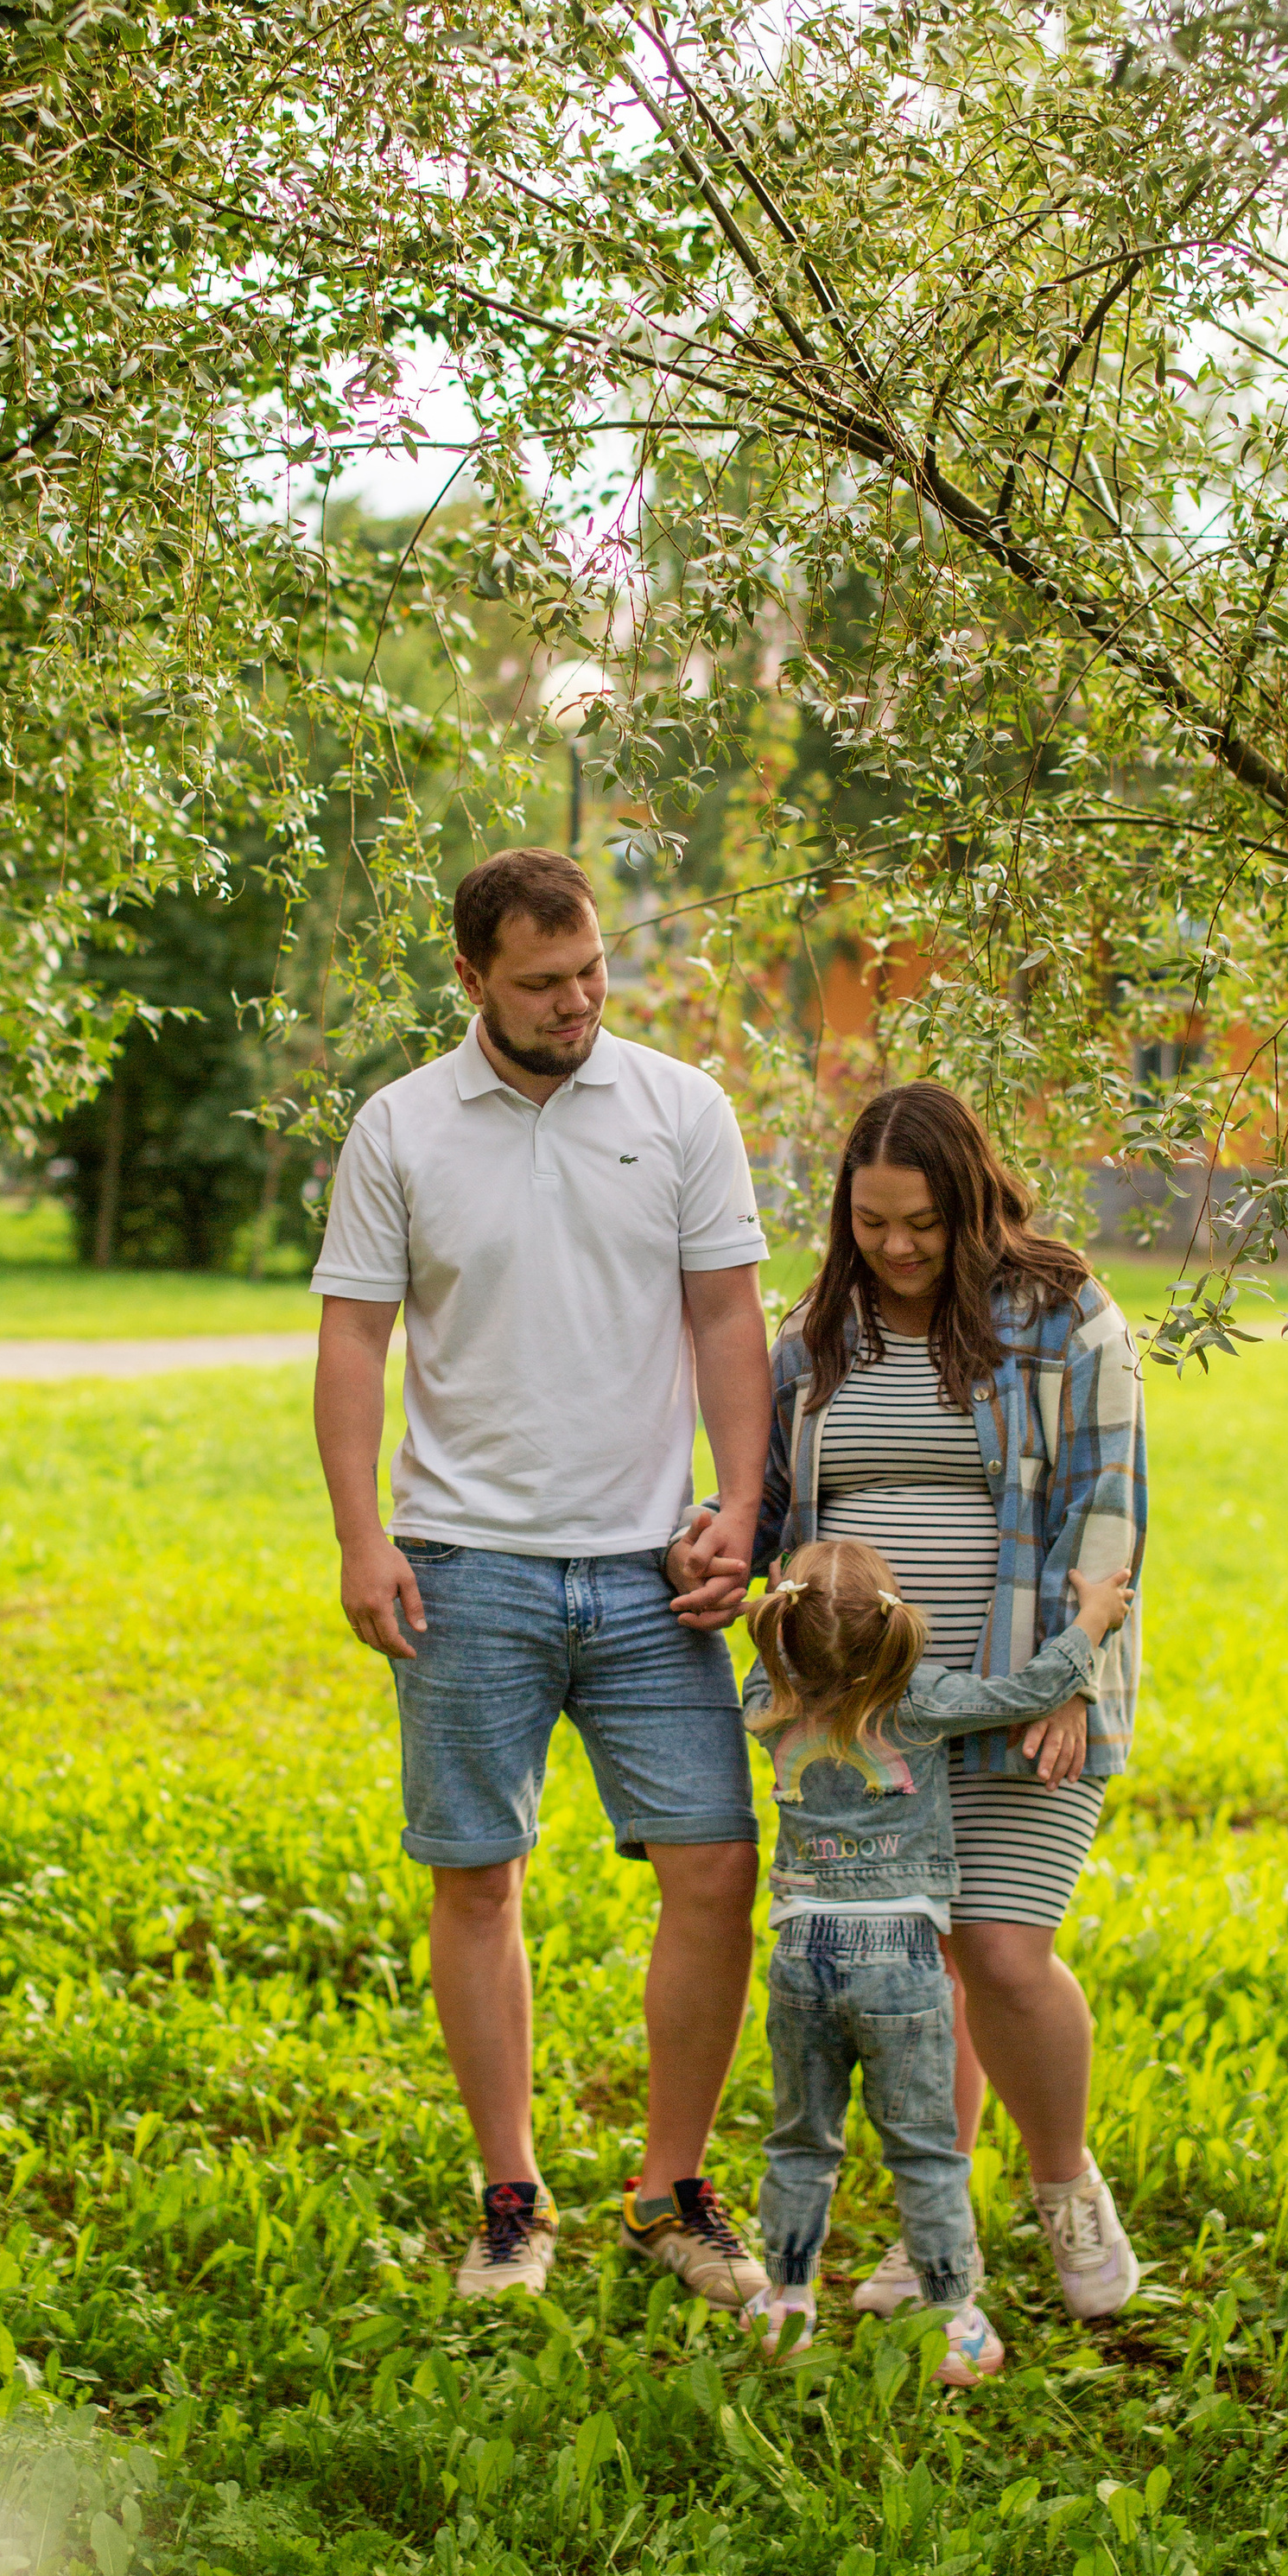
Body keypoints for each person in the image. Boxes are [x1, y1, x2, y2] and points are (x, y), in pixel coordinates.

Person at [311, 849, 776, 2308]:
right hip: (467, 1564)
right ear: (471, 981)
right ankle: (511, 2197)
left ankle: (672, 2190)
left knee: (714, 1867)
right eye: (541, 984)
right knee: (478, 1879)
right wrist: (359, 1535)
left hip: (652, 1571)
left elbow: (727, 1319)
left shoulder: (681, 1109)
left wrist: (743, 1511)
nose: (577, 1003)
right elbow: (353, 1344)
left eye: (590, 975)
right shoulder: (399, 1130)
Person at [680, 1078, 1147, 2326]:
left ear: (975, 1204)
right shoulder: (815, 1340)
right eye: (874, 1221)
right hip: (867, 1718)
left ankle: (1063, 2189)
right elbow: (768, 1506)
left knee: (998, 1951)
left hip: (1024, 1689)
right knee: (909, 1962)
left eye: (924, 1223)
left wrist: (1077, 1679)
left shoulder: (1061, 1316)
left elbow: (1108, 1507)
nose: (896, 1247)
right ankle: (925, 2234)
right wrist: (714, 1546)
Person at [742, 1536, 1138, 2384]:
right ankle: (953, 2318)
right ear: (896, 1627)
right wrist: (1095, 1620)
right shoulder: (918, 1698)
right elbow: (1028, 1689)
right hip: (901, 1960)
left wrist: (780, 1609)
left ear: (786, 1620)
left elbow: (767, 1643)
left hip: (800, 1951)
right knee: (924, 2150)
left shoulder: (767, 1694)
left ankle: (786, 2305)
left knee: (800, 2143)